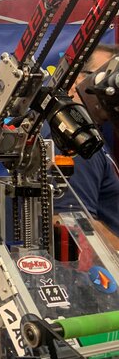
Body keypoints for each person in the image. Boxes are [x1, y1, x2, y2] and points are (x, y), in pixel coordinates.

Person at [54, 43, 119, 250]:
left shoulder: (93, 135)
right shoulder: (75, 140)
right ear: (75, 80)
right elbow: (71, 223)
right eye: (103, 77)